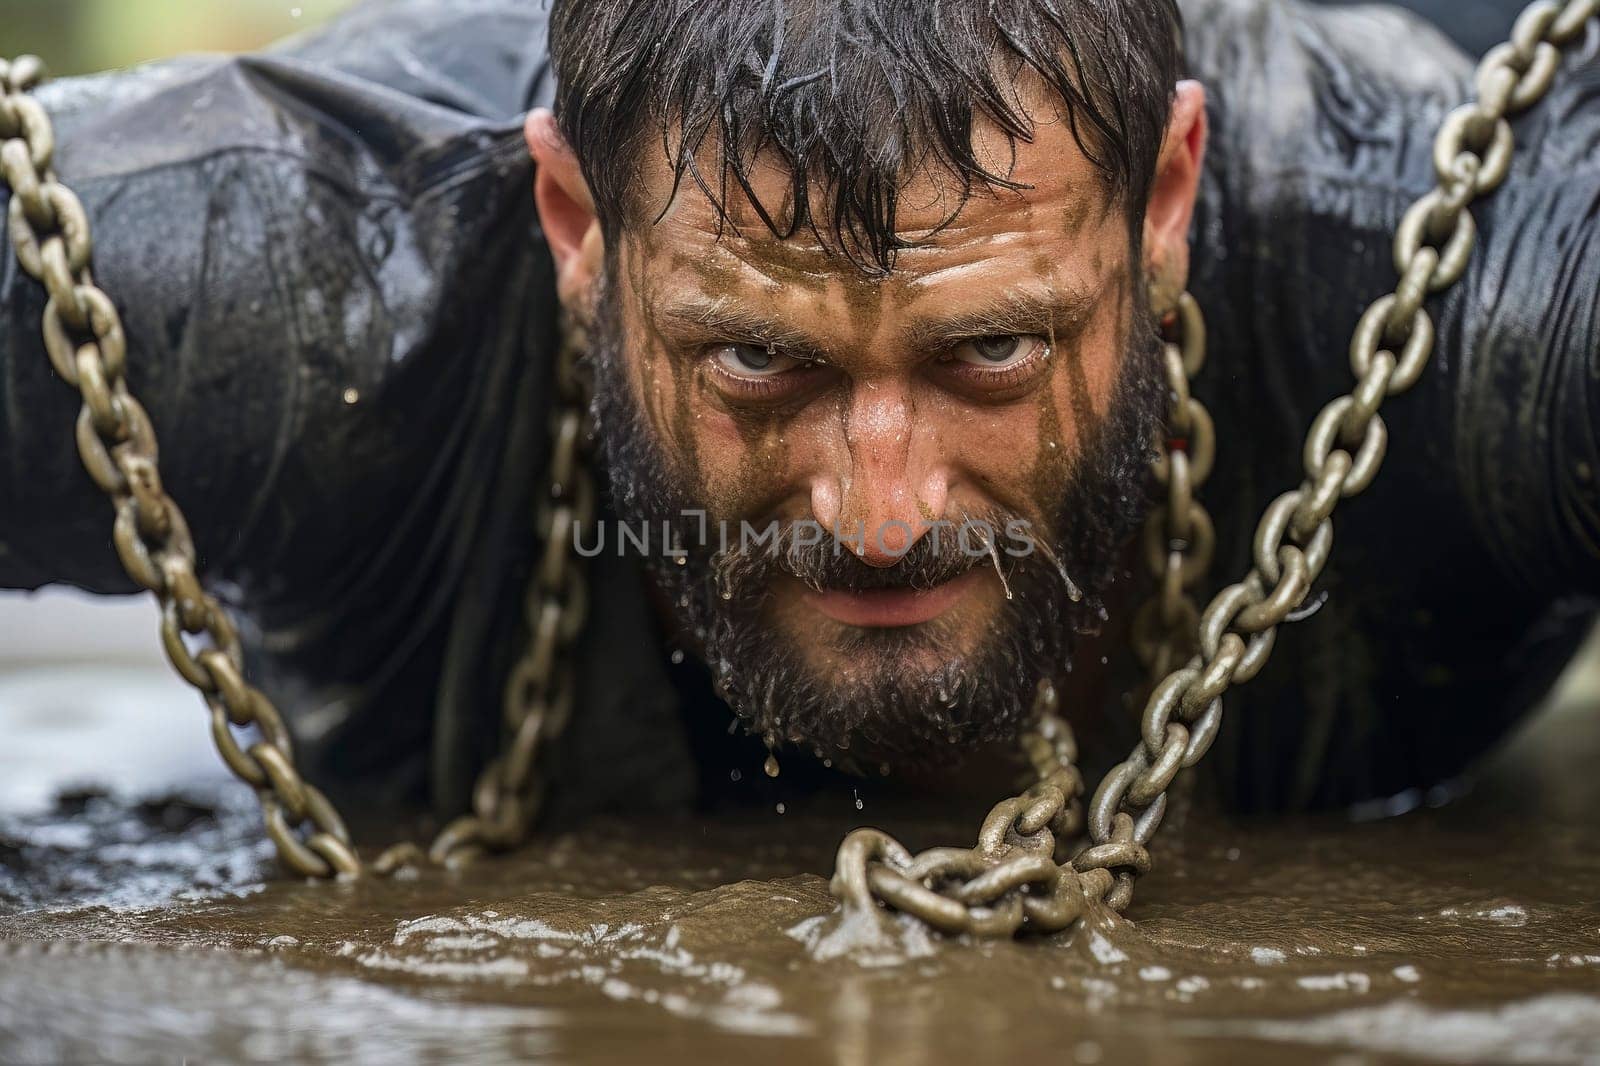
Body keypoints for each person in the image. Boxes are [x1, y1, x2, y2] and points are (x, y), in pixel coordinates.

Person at [0, 0, 1593, 847]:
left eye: (987, 351)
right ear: (573, 217)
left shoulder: (1458, 301)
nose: (880, 512)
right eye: (760, 364)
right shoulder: (286, 286)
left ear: (1164, 197)